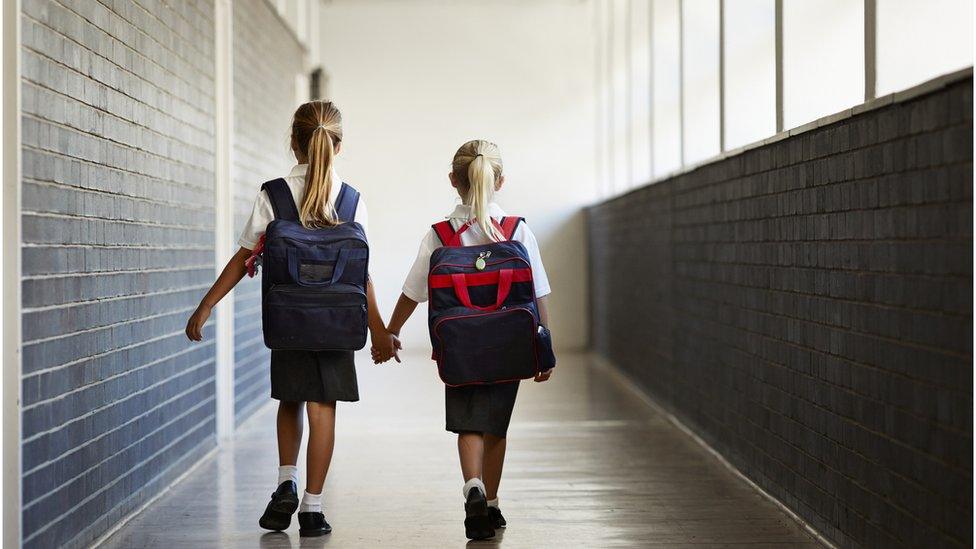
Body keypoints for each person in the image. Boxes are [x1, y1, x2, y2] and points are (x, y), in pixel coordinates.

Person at [185, 101, 399, 537]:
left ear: (293, 141)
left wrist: (207, 304)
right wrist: (379, 330)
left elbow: (244, 255)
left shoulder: (274, 194)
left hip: (288, 321)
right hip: (338, 323)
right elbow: (364, 275)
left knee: (291, 400)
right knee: (324, 408)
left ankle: (286, 480)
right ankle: (313, 509)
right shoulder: (352, 200)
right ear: (338, 146)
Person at [377, 139, 553, 540]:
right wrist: (545, 347)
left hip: (459, 346)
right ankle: (491, 503)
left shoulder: (440, 235)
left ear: (453, 181)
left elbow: (413, 290)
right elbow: (539, 292)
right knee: (496, 427)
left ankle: (471, 487)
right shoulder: (517, 230)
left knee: (469, 423)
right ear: (501, 181)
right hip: (509, 344)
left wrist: (391, 330)